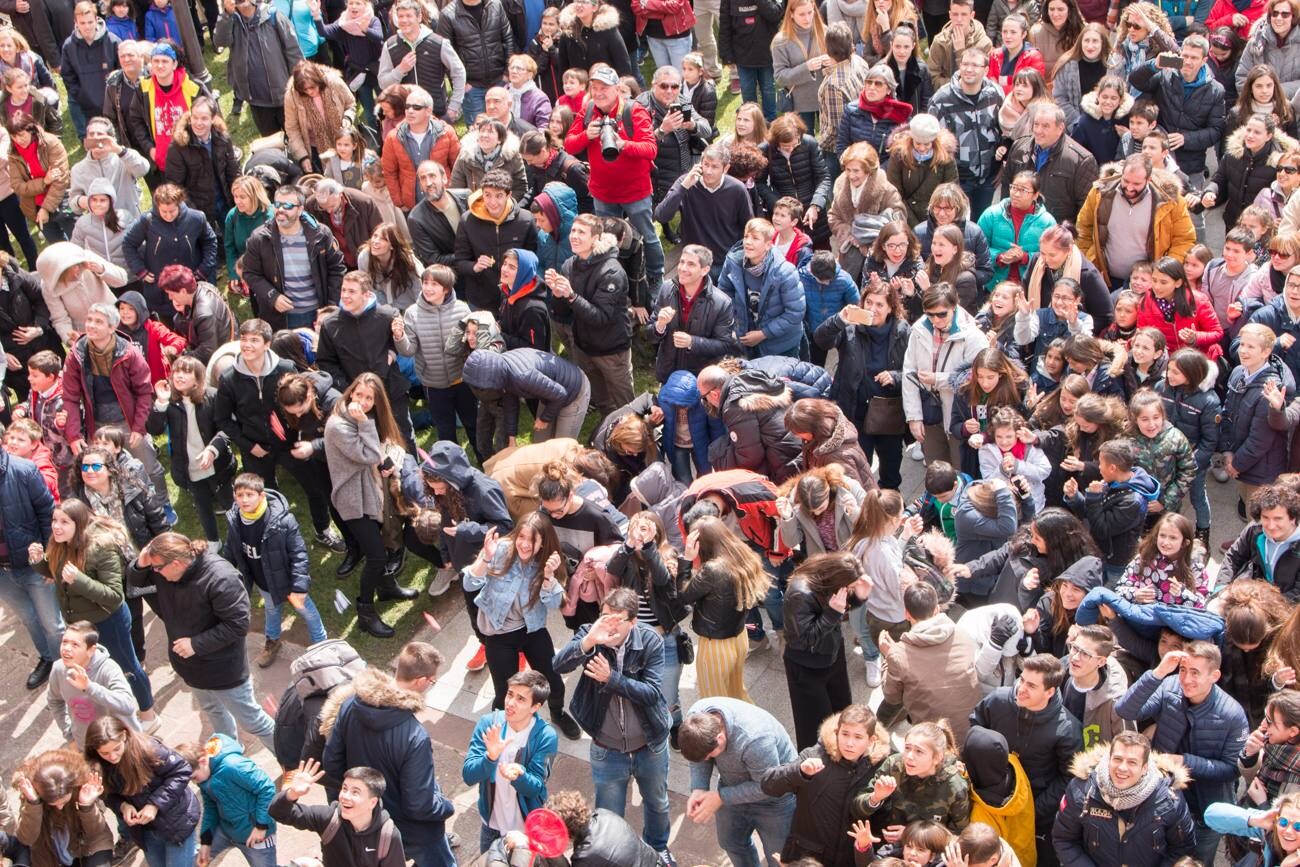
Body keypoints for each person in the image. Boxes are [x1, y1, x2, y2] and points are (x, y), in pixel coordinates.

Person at [127, 531, 278, 751]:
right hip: (190, 667)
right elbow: (135, 583)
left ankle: (289, 760)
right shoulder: (164, 571)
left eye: (157, 567)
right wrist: (141, 564)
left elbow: (237, 625)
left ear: (177, 563)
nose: (155, 572)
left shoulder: (221, 578)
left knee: (252, 720)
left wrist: (195, 644)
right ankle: (231, 751)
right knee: (213, 710)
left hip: (224, 670)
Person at [552, 587, 673, 857]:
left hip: (649, 744)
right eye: (605, 616)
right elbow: (558, 666)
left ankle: (658, 851)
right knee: (608, 813)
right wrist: (588, 641)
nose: (609, 624)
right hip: (606, 748)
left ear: (633, 622)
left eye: (617, 619)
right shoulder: (590, 633)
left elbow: (653, 694)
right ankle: (613, 856)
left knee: (657, 803)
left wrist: (612, 680)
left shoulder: (650, 641)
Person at [1116, 641, 1250, 865]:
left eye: (1195, 672)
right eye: (1183, 670)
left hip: (1203, 812)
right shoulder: (1169, 686)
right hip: (1159, 802)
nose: (1186, 679)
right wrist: (1158, 673)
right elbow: (1125, 710)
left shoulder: (1232, 715)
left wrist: (1185, 762)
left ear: (1214, 676)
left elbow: (1231, 769)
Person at [321, 642, 453, 867]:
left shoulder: (349, 705)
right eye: (432, 681)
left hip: (366, 823)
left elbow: (331, 765)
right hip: (413, 832)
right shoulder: (415, 736)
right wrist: (446, 805)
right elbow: (419, 804)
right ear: (421, 681)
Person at [462, 514, 576, 737]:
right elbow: (469, 583)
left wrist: (548, 577)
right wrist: (486, 557)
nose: (524, 544)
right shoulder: (501, 549)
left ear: (543, 542)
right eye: (521, 536)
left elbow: (554, 603)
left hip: (531, 629)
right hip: (499, 632)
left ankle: (557, 713)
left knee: (553, 682)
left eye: (532, 540)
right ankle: (503, 730)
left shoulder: (548, 561)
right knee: (505, 692)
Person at [971, 654, 1082, 867]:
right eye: (1022, 679)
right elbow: (976, 727)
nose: (1021, 688)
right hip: (987, 801)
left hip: (1036, 814)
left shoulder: (1067, 729)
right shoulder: (999, 700)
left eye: (1031, 685)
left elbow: (1069, 778)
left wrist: (1034, 809)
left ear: (1049, 692)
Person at [564, 63, 664, 293]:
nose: (598, 93)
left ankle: (656, 275)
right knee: (607, 239)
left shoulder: (633, 110)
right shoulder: (588, 110)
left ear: (617, 89)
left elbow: (650, 148)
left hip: (635, 190)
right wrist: (586, 136)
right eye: (594, 87)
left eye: (604, 88)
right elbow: (568, 144)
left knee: (648, 236)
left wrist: (623, 144)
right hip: (603, 192)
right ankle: (614, 276)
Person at [60, 303, 169, 503]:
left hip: (128, 421)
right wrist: (74, 434)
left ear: (112, 327)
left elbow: (145, 392)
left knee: (148, 466)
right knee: (107, 470)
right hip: (98, 425)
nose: (91, 325)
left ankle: (162, 504)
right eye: (89, 320)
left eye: (98, 322)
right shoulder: (76, 354)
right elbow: (70, 397)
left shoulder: (129, 353)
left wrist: (138, 427)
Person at [760, 705, 890, 867]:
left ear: (871, 740)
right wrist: (799, 771)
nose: (849, 743)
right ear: (836, 733)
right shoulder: (815, 756)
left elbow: (883, 818)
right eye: (845, 734)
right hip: (807, 858)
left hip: (850, 859)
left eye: (858, 737)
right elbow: (768, 785)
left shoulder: (882, 768)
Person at [678, 697, 798, 867]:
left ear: (719, 738)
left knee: (779, 858)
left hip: (775, 800)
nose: (707, 760)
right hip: (731, 787)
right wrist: (699, 788)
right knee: (730, 842)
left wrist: (720, 797)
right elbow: (699, 758)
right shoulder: (695, 719)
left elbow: (768, 786)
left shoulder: (755, 739)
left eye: (710, 756)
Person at [1052, 731, 1196, 867]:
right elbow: (1065, 839)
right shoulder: (1082, 790)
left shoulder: (1170, 799)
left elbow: (1182, 848)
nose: (1122, 768)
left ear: (1145, 768)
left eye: (1132, 762)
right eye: (1117, 759)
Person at [780, 552, 871, 749]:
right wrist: (833, 613)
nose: (852, 589)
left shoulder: (829, 582)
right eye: (851, 587)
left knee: (842, 709)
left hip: (832, 655)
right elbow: (804, 639)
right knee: (814, 724)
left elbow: (840, 608)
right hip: (807, 666)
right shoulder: (800, 593)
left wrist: (859, 598)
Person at [461, 669, 559, 852]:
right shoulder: (488, 724)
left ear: (535, 707)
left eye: (521, 699)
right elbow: (468, 775)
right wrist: (490, 757)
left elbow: (536, 787)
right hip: (491, 824)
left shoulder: (546, 736)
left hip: (525, 828)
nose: (510, 703)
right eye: (510, 694)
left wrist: (520, 775)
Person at [546, 213, 632, 421]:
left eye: (581, 232)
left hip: (611, 350)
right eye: (573, 231)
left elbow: (601, 317)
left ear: (595, 238)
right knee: (602, 399)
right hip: (583, 347)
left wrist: (571, 296)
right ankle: (611, 433)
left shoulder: (611, 272)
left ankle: (641, 439)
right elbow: (562, 312)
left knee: (627, 404)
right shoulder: (569, 265)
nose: (574, 236)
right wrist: (557, 295)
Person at [83, 715, 200, 867]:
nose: (112, 756)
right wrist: (122, 806)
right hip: (145, 830)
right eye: (104, 753)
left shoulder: (149, 749)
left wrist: (155, 804)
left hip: (177, 823)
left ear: (124, 735)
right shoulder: (98, 766)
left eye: (116, 748)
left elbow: (181, 770)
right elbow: (107, 794)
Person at [876, 580, 982, 742]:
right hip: (973, 727)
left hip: (935, 738)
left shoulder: (899, 654)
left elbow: (892, 697)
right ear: (937, 608)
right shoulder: (962, 634)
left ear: (907, 614)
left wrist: (889, 657)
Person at [1075, 154, 1197, 290]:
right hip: (1106, 280)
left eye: (1137, 184)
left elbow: (1184, 240)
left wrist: (1162, 274)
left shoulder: (1171, 201)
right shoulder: (1099, 193)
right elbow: (1083, 229)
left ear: (1149, 180)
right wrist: (1091, 263)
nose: (1129, 188)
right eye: (1126, 181)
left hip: (1149, 285)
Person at [1129, 35, 1226, 203]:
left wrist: (1186, 139)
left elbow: (1216, 130)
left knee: (1194, 216)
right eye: (1185, 56)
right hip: (1160, 161)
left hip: (1192, 163)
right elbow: (1136, 80)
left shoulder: (1215, 90)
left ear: (1204, 60)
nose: (1187, 61)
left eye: (1194, 58)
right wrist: (1154, 65)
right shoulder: (1166, 75)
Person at [903, 284, 991, 466]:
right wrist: (914, 416)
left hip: (960, 415)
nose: (936, 320)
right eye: (930, 314)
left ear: (954, 307)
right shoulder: (919, 330)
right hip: (930, 412)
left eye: (942, 314)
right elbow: (909, 373)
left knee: (961, 471)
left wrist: (938, 379)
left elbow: (976, 377)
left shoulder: (973, 336)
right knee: (936, 472)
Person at [242, 184, 347, 330]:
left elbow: (337, 269)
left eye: (288, 206)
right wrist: (272, 296)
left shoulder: (321, 235)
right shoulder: (259, 238)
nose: (281, 210)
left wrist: (331, 306)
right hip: (281, 317)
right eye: (277, 204)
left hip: (317, 313)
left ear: (300, 210)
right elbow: (250, 273)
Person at [270, 759, 408, 867]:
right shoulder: (329, 819)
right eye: (344, 788)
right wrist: (292, 793)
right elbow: (278, 813)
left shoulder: (387, 834)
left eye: (355, 792)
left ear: (372, 802)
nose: (345, 796)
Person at [461, 347, 591, 445]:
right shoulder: (503, 371)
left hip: (573, 391)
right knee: (540, 444)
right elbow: (510, 403)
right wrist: (511, 437)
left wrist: (545, 419)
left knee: (562, 448)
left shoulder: (523, 376)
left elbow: (560, 394)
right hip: (550, 394)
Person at [928, 47, 1003, 217]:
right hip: (958, 179)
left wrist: (1003, 167)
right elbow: (935, 144)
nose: (969, 69)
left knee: (982, 224)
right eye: (965, 64)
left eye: (975, 65)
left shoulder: (995, 94)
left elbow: (1005, 133)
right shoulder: (942, 100)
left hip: (989, 177)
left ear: (985, 70)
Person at [646, 245, 737, 384]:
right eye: (681, 262)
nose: (683, 268)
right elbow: (650, 336)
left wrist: (692, 342)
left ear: (705, 270)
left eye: (691, 264)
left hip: (699, 379)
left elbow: (724, 345)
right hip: (667, 374)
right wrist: (660, 325)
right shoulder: (666, 289)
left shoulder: (722, 303)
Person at [697, 365, 802, 482]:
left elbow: (750, 458)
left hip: (786, 466)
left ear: (714, 394)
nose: (705, 403)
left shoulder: (734, 406)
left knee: (717, 452)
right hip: (798, 447)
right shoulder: (749, 379)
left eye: (704, 398)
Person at [48, 620, 141, 747]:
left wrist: (89, 687)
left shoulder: (109, 669)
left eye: (75, 644)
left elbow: (127, 705)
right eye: (64, 642)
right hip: (86, 746)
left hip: (120, 745)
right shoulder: (58, 668)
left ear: (91, 650)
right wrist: (70, 737)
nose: (66, 649)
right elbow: (54, 701)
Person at [1001, 104, 1098, 224]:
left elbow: (1087, 209)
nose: (1038, 130)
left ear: (1060, 128)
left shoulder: (1081, 160)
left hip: (1056, 234)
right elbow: (1006, 186)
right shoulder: (1019, 148)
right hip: (1018, 227)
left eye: (1045, 126)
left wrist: (1069, 237)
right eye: (1036, 124)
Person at [376, 0, 466, 120]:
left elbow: (459, 72)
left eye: (409, 16)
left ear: (419, 17)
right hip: (404, 117)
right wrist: (400, 70)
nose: (404, 20)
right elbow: (383, 83)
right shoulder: (390, 46)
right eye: (401, 16)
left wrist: (454, 107)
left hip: (437, 114)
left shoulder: (439, 43)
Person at [1221, 485, 1300, 597]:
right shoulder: (1255, 529)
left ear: (1293, 518)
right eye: (1265, 518)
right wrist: (1220, 589)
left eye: (1278, 519)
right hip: (1257, 596)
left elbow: (1297, 594)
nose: (1271, 526)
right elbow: (1233, 557)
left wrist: (1263, 606)